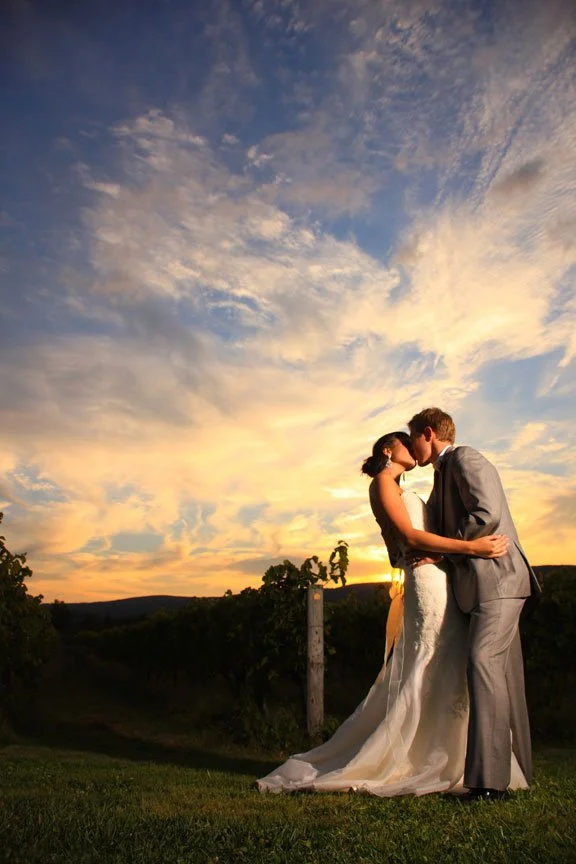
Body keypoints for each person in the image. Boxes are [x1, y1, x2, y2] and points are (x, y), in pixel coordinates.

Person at [257, 431, 527, 797]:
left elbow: (399, 546)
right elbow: (409, 537)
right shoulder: (383, 483)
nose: (411, 447)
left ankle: (454, 755)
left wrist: (419, 553)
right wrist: (471, 547)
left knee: (447, 662)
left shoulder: (398, 487)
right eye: (404, 441)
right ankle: (421, 756)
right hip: (428, 582)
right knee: (430, 658)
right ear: (388, 450)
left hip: (438, 576)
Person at [408, 408, 540, 802]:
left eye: (413, 438)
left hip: (498, 578)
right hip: (481, 586)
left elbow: (487, 513)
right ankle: (519, 771)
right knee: (504, 675)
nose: (412, 446)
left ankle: (488, 784)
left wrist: (447, 550)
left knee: (481, 663)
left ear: (428, 433)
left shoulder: (465, 458)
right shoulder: (441, 474)